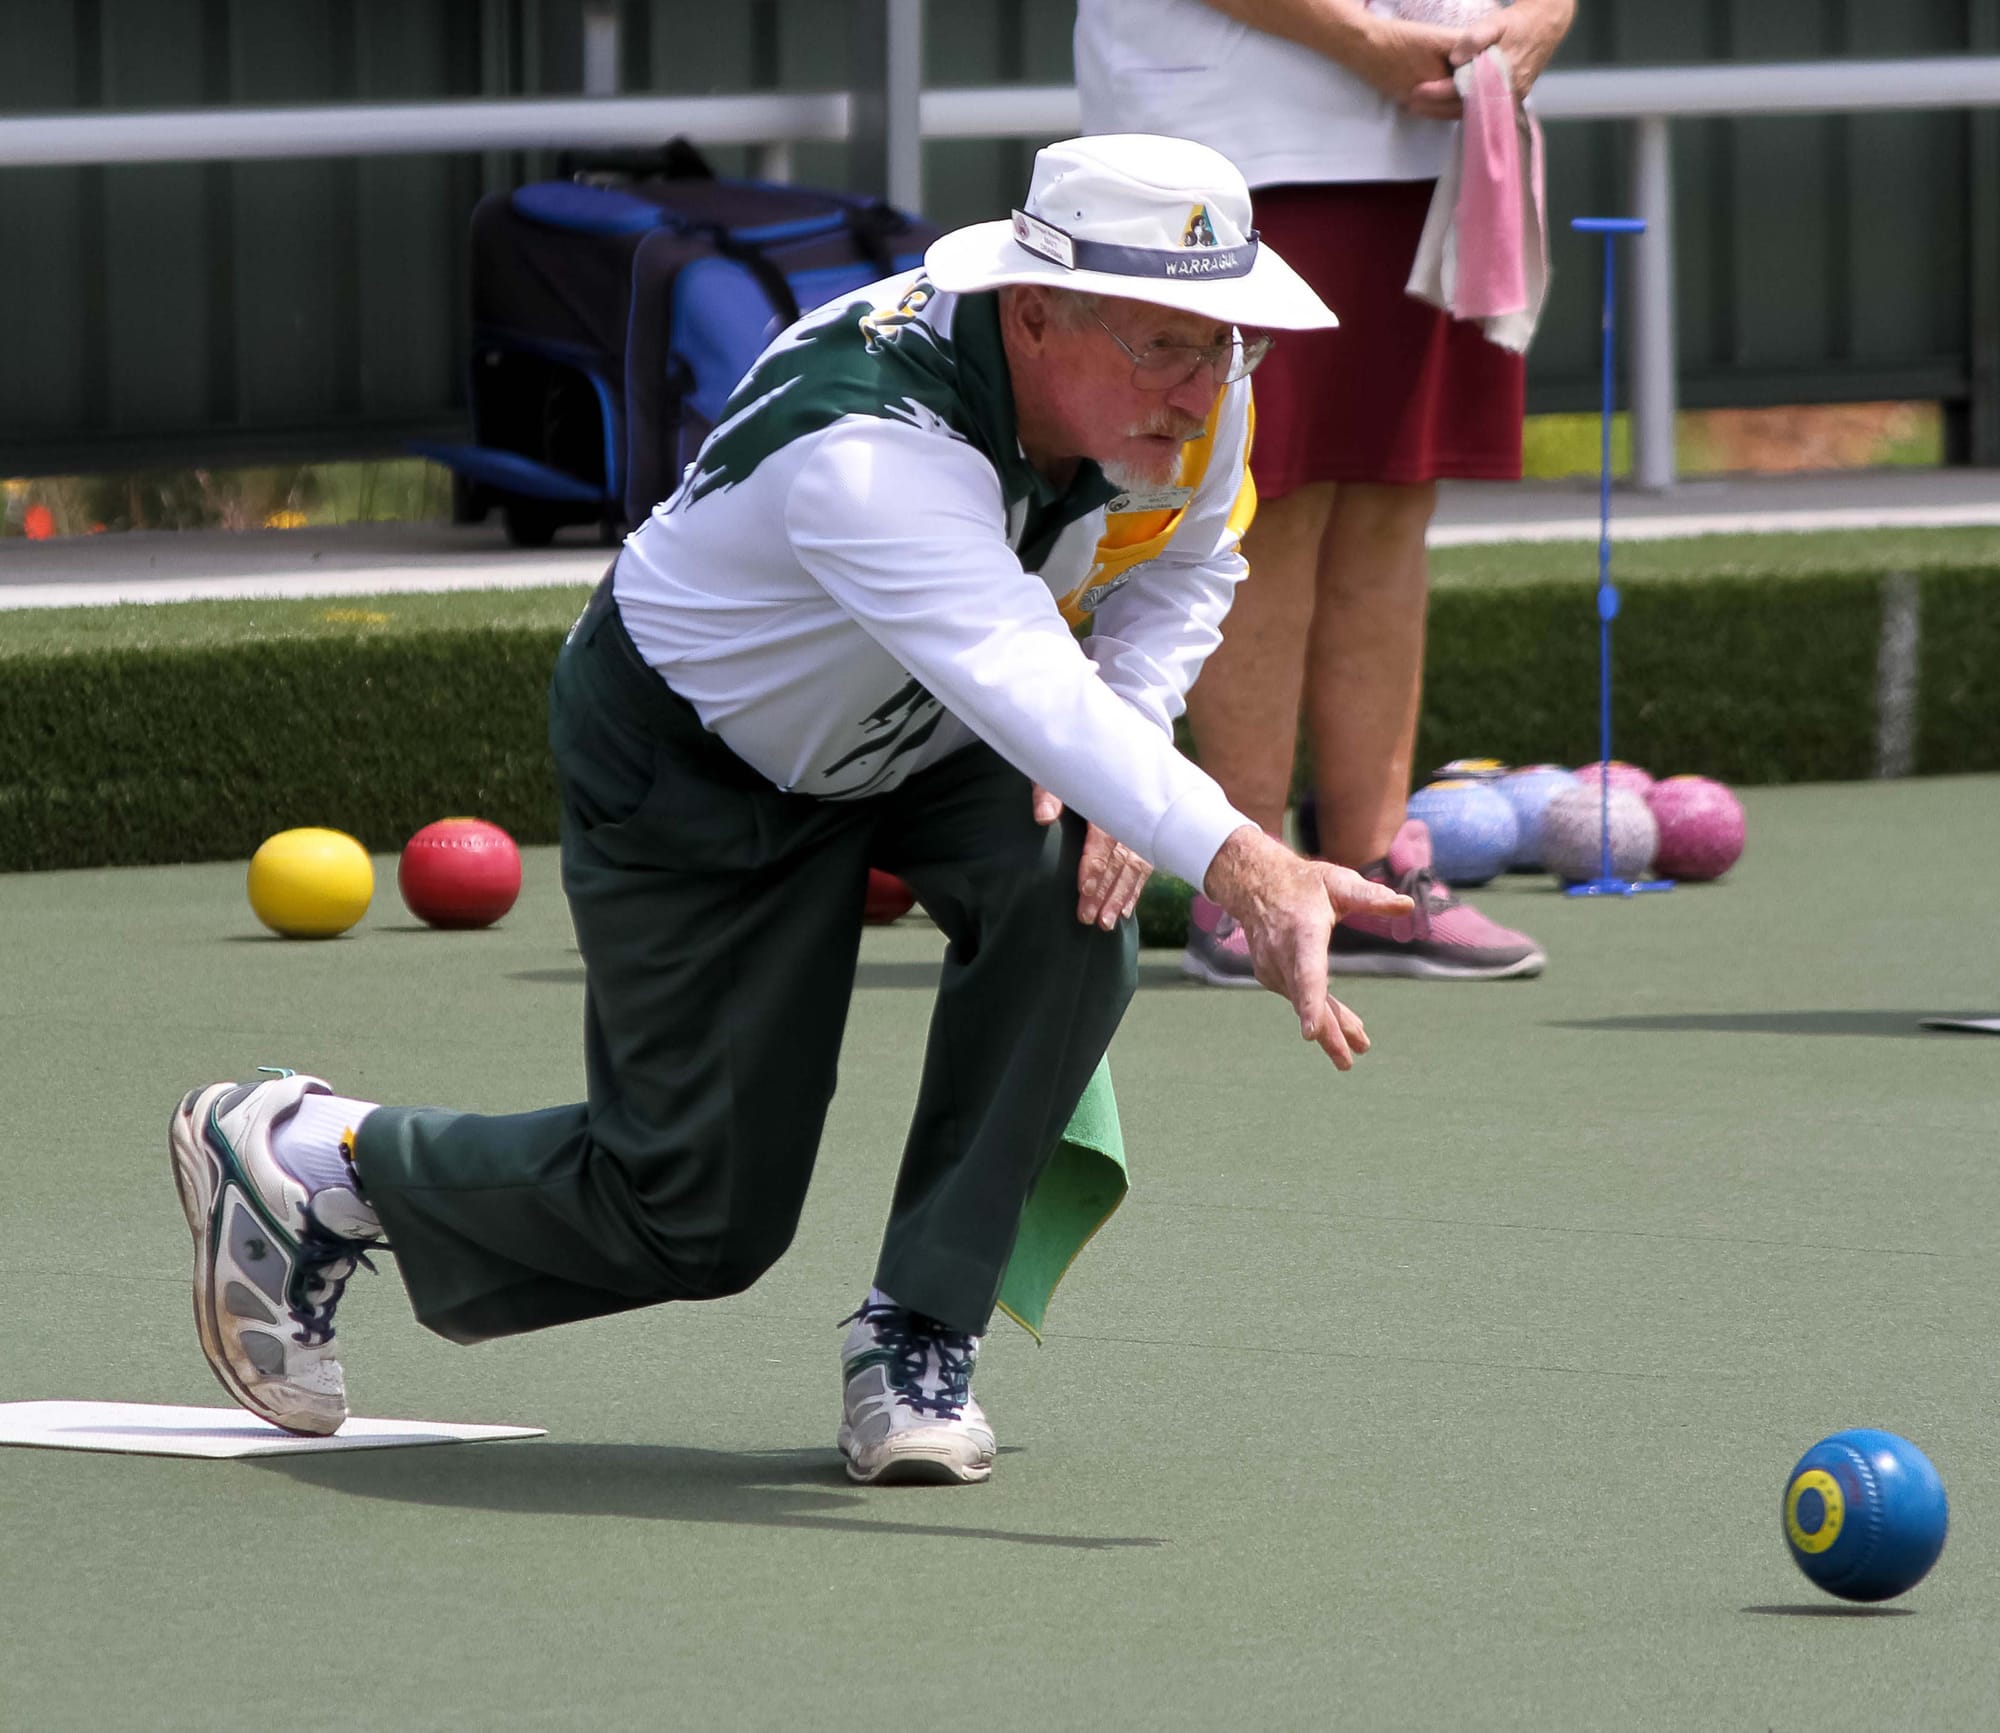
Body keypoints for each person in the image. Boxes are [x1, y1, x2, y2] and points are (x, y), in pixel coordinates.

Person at [166, 134, 1415, 1488]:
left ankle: (920, 1330)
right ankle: (310, 1156)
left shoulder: (1193, 387)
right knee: (692, 1217)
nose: (1205, 386)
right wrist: (1248, 862)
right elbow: (1024, 685)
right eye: (1169, 344)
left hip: (934, 725)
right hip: (703, 750)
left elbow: (1185, 564)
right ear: (1033, 311)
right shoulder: (865, 445)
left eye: (1227, 342)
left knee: (1075, 885)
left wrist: (1135, 726)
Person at [1076, 0, 1576, 985]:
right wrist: (1366, 43)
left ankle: (1371, 874)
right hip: (1233, 140)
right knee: (1264, 505)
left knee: (1394, 499)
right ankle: (1242, 878)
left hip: (1438, 138)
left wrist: (1541, 15)